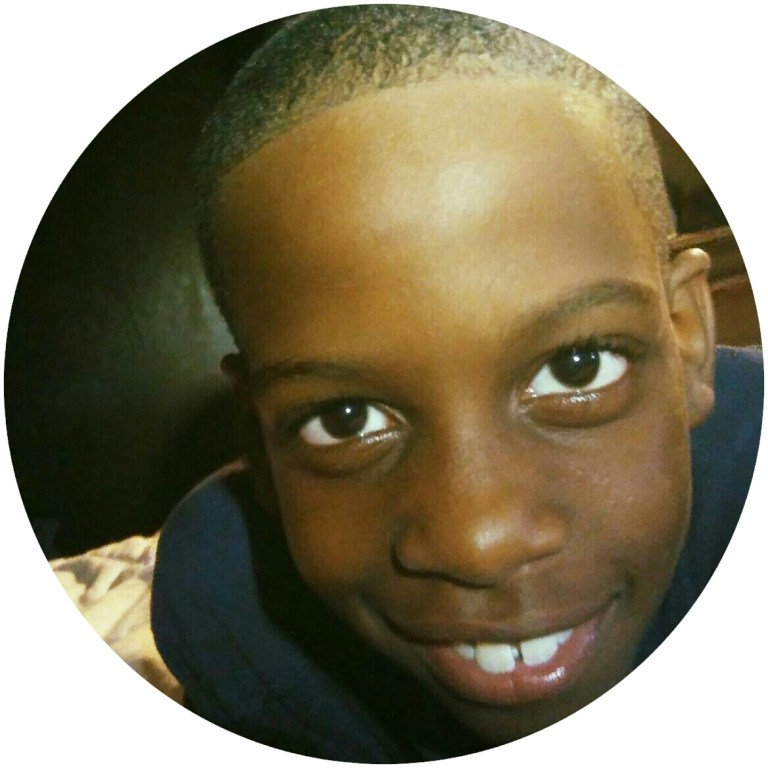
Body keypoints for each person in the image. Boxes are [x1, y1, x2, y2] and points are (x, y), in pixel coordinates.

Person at [146, 5, 762, 761]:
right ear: (262, 444)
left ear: (688, 338)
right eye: (344, 418)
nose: (478, 542)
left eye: (576, 367)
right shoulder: (231, 618)